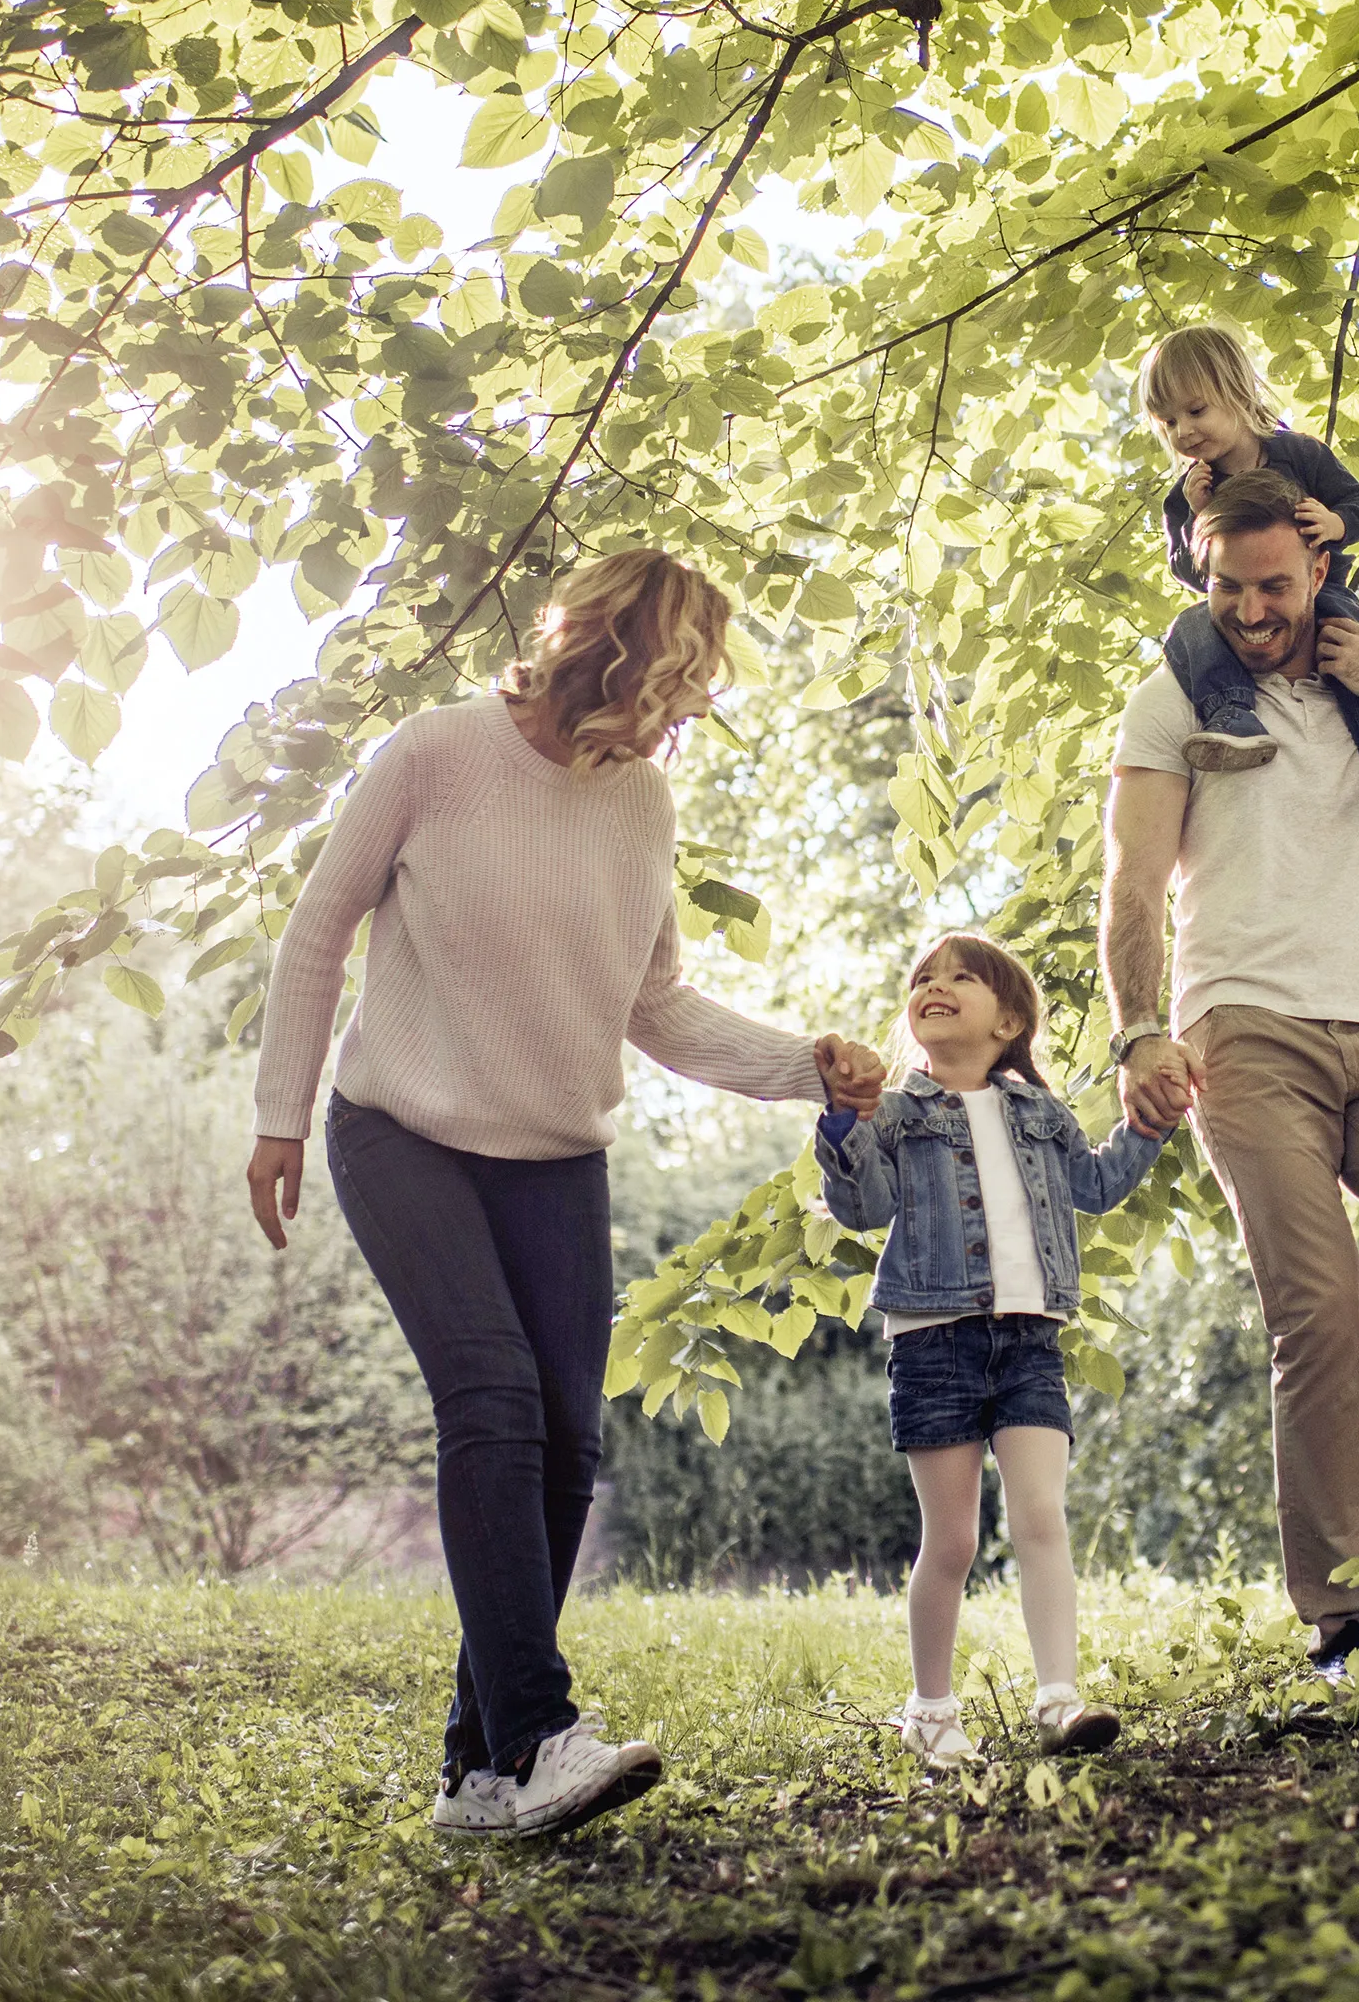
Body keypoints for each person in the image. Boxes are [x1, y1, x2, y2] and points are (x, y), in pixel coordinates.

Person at [241, 549, 886, 1838]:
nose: (692, 707)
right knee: (490, 1400)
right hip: (402, 1130)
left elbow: (650, 1001)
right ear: (615, 653)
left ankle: (478, 1772)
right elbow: (319, 929)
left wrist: (801, 1065)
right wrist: (277, 1120)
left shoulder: (642, 802)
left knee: (567, 1444)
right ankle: (541, 1732)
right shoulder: (434, 752)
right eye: (684, 678)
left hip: (554, 1152)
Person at [1097, 466, 1359, 1674]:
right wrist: (1138, 1031)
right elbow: (1130, 883)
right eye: (1227, 585)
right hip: (1245, 1026)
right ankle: (1343, 1616)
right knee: (1317, 1306)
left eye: (1274, 583)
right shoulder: (1172, 696)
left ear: (1319, 568)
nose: (1250, 606)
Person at [815, 932, 1182, 1766]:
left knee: (1042, 1518)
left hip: (1029, 1340)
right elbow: (863, 1207)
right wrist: (842, 1120)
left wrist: (1149, 1126)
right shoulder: (899, 1113)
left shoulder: (1041, 1114)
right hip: (934, 1337)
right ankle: (930, 1711)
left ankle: (1059, 1699)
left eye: (960, 978)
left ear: (1008, 1019)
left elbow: (1094, 1185)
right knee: (952, 1542)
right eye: (923, 979)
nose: (935, 986)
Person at [1140, 324, 1359, 831]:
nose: (1183, 432)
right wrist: (1199, 518)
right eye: (1168, 422)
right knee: (1190, 629)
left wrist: (1335, 525)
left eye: (1195, 411)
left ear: (1237, 393)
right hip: (1230, 600)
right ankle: (1230, 714)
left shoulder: (1301, 455)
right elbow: (1186, 572)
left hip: (1319, 593)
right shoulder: (1187, 492)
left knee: (1351, 643)